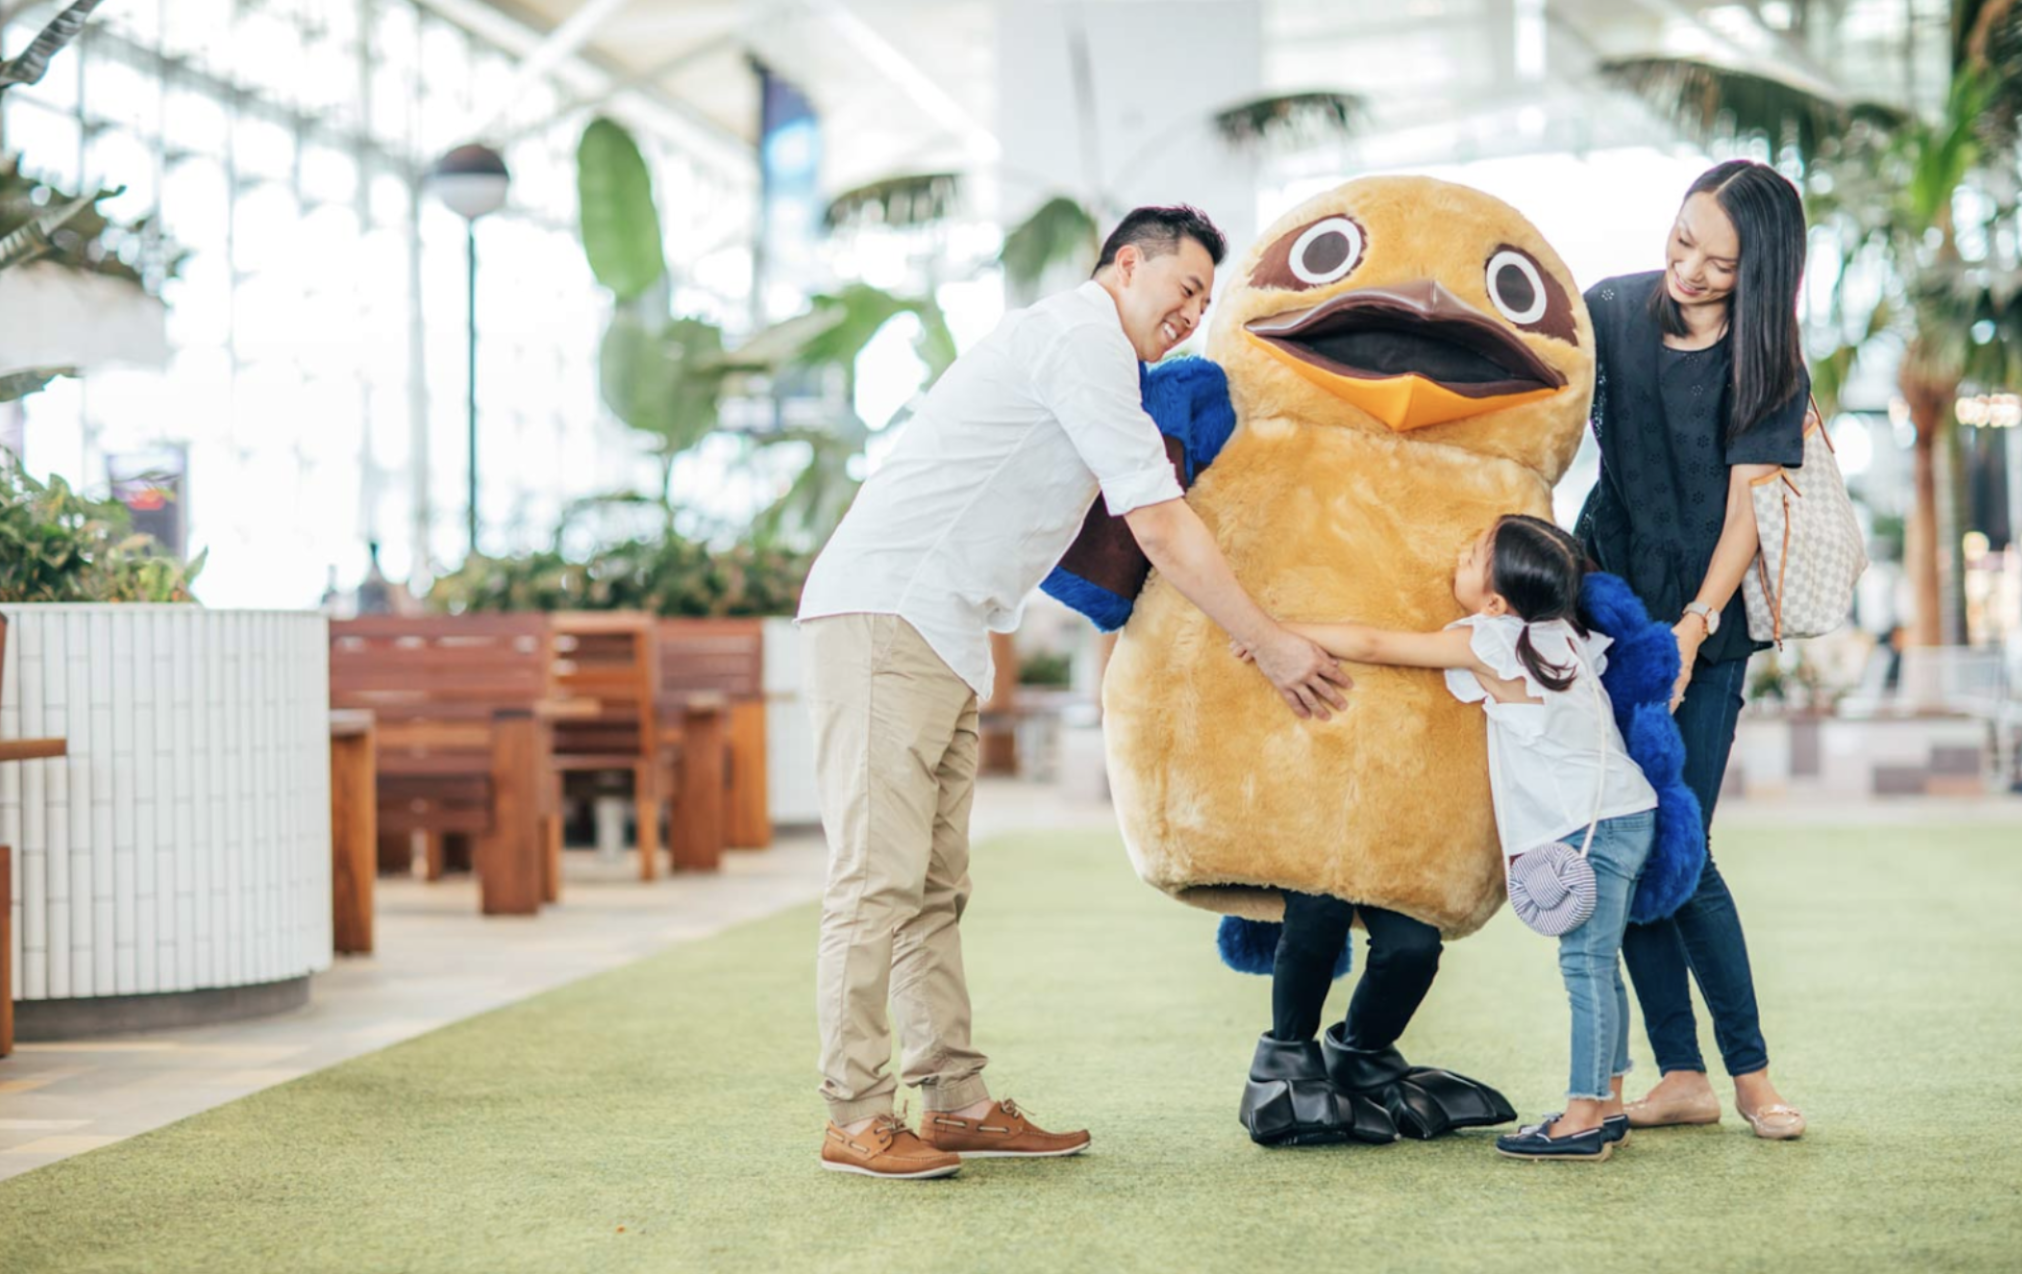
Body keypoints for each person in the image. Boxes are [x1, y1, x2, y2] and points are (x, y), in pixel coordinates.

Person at [796, 205, 1354, 1180]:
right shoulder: (1080, 339)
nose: (1192, 313)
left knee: (933, 889)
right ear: (1126, 263)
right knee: (877, 881)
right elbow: (1157, 521)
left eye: (1206, 302)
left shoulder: (1097, 355)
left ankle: (956, 1100)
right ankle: (854, 1113)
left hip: (944, 630)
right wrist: (1268, 643)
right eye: (1184, 288)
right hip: (887, 615)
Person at [1236, 515, 1657, 1161]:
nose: (1454, 559)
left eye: (1470, 556)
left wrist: (1275, 634)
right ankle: (1610, 1104)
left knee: (1585, 966)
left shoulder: (1492, 638)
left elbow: (1375, 644)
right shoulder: (1559, 635)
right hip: (1626, 812)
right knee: (1604, 963)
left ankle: (1581, 1119)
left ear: (1495, 601)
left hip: (1586, 823)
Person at [1574, 160, 1810, 1140]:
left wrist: (1695, 626)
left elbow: (1748, 513)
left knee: (1684, 842)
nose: (1690, 270)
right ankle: (1682, 1072)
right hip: (1608, 605)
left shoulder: (1768, 364)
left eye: (1720, 263)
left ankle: (1751, 1074)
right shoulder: (1611, 312)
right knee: (1622, 845)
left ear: (1759, 273)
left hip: (1705, 628)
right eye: (1682, 241)